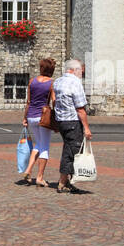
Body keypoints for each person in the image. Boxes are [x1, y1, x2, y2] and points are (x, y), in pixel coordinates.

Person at [51, 58, 92, 194]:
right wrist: (86, 128)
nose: (82, 74)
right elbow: (80, 108)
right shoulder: (75, 83)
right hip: (73, 121)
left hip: (61, 121)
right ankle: (63, 181)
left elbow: (54, 101)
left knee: (68, 148)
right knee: (73, 151)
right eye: (81, 71)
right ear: (74, 70)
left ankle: (64, 181)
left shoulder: (58, 81)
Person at [16, 58, 56, 187]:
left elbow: (28, 102)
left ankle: (28, 170)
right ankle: (39, 177)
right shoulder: (51, 83)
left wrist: (25, 117)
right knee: (44, 147)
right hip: (43, 117)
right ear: (51, 70)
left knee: (38, 144)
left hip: (32, 116)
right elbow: (54, 101)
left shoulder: (32, 81)